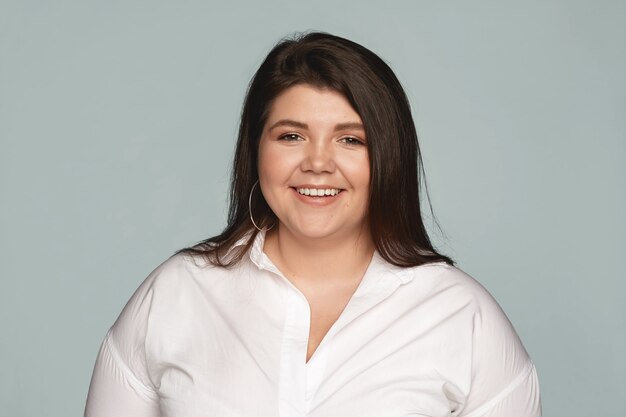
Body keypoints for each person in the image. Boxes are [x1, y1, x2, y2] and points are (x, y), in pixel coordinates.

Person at [85, 32, 541, 417]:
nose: (318, 163)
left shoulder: (464, 318)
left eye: (350, 139)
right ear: (256, 150)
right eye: (291, 136)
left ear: (388, 156)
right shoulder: (174, 295)